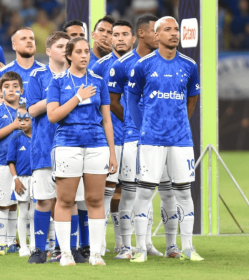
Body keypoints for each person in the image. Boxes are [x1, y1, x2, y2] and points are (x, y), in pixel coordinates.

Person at [127, 16, 202, 262]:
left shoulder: (190, 65)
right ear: (156, 36)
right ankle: (139, 249)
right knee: (145, 192)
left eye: (176, 29)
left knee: (183, 193)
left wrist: (180, 122)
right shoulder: (144, 65)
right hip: (152, 140)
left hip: (181, 140)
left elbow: (192, 98)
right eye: (167, 29)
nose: (174, 33)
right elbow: (131, 99)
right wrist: (143, 128)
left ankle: (187, 248)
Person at [46, 37, 118, 266]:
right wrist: (77, 97)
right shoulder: (57, 82)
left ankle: (96, 254)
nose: (85, 55)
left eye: (87, 51)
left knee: (95, 199)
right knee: (65, 200)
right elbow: (52, 116)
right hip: (67, 144)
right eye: (79, 51)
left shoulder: (99, 81)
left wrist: (112, 152)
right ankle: (66, 254)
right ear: (69, 55)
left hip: (97, 145)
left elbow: (107, 121)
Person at [108, 14, 174, 259]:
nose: (160, 37)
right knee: (130, 192)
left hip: (162, 138)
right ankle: (125, 246)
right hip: (134, 138)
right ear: (143, 34)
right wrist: (137, 122)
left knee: (154, 192)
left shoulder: (166, 61)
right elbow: (113, 101)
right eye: (156, 32)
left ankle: (146, 244)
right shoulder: (123, 63)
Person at [90, 20, 135, 255]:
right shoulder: (99, 67)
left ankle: (125, 243)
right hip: (111, 138)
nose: (117, 38)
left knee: (131, 192)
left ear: (133, 38)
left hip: (137, 139)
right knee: (108, 191)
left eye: (123, 34)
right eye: (114, 34)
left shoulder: (142, 63)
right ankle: (103, 243)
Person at [26, 31, 70, 264]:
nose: (65, 49)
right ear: (49, 51)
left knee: (69, 201)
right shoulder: (38, 75)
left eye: (67, 46)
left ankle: (69, 250)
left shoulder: (78, 77)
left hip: (71, 144)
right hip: (44, 146)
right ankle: (39, 250)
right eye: (60, 45)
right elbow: (31, 110)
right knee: (44, 200)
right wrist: (57, 95)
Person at [0, 71, 24, 256]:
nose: (11, 90)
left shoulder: (26, 111)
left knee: (16, 203)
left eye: (15, 86)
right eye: (7, 87)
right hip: (1, 162)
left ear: (21, 90)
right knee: (1, 203)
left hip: (23, 164)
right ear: (0, 90)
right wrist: (14, 125)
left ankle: (11, 241)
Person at [7, 105, 34, 257]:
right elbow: (11, 161)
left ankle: (36, 245)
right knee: (23, 213)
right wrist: (16, 179)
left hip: (36, 178)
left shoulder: (39, 136)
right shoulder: (15, 138)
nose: (23, 122)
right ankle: (23, 247)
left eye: (26, 119)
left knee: (35, 213)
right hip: (21, 179)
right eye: (19, 120)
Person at [0, 27, 43, 101]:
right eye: (23, 39)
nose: (29, 41)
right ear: (14, 46)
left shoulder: (46, 72)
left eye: (31, 38)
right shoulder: (2, 73)